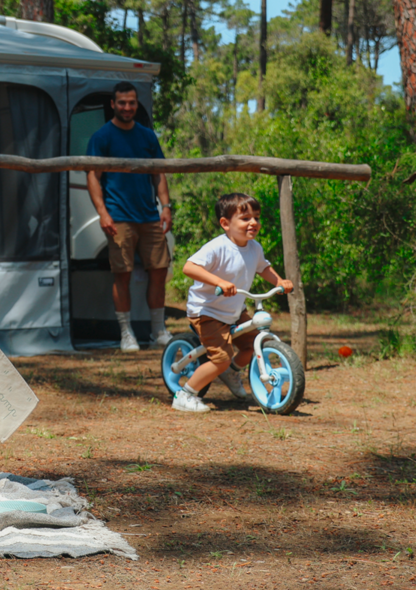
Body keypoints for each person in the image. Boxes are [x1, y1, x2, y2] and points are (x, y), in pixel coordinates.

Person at [173, 192, 295, 413]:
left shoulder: (254, 247)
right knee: (220, 358)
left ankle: (231, 371)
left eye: (256, 217)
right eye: (246, 218)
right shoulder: (217, 247)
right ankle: (185, 394)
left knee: (252, 344)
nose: (253, 223)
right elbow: (189, 267)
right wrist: (219, 281)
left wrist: (279, 281)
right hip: (207, 311)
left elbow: (263, 268)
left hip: (234, 309)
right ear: (225, 223)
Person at [85, 82, 173, 352]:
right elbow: (92, 176)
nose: (127, 107)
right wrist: (102, 214)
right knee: (121, 274)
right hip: (118, 217)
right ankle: (127, 334)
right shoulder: (102, 137)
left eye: (132, 103)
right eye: (122, 102)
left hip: (149, 216)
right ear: (113, 104)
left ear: (137, 105)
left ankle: (158, 331)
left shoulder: (147, 136)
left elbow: (158, 173)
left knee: (159, 271)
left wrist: (166, 206)